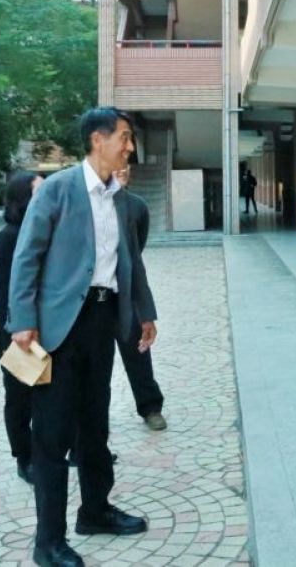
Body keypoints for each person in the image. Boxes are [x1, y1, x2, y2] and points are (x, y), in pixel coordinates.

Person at [6, 107, 158, 567]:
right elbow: (27, 255)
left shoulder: (121, 200)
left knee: (95, 424)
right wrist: (22, 319)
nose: (130, 147)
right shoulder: (58, 189)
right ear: (97, 139)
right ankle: (48, 542)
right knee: (53, 435)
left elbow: (131, 261)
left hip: (102, 321)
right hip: (57, 329)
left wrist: (144, 313)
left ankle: (95, 510)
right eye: (124, 137)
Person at [0, 170, 43, 485]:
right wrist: (15, 333)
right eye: (38, 192)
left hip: (48, 326)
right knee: (21, 396)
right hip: (17, 330)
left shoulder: (45, 232)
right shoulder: (8, 238)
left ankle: (65, 448)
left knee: (52, 393)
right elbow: (4, 292)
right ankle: (24, 457)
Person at [113, 166, 166, 430]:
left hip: (126, 293)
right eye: (116, 164)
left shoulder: (137, 206)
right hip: (93, 297)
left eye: (126, 165)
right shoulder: (86, 203)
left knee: (138, 352)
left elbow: (136, 249)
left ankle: (150, 407)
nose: (122, 169)